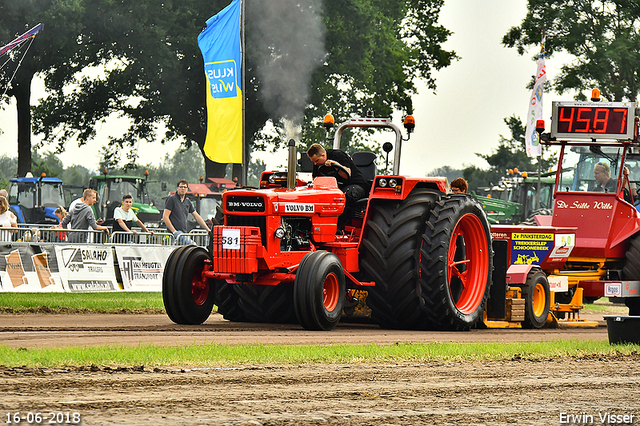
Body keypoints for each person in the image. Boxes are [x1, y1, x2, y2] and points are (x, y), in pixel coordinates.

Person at [163, 179, 210, 244]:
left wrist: (208, 230)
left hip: (183, 233)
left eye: (185, 187)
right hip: (175, 233)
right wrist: (174, 232)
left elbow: (197, 216)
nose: (183, 189)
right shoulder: (172, 199)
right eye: (181, 187)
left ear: (187, 189)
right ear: (177, 188)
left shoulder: (188, 201)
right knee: (193, 246)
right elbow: (165, 217)